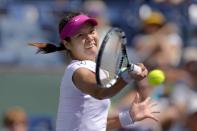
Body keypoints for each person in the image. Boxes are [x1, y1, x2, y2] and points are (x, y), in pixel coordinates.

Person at [30, 11, 159, 131]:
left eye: (91, 31)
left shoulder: (96, 71)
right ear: (67, 44)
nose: (90, 37)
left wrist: (130, 116)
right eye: (81, 35)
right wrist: (127, 76)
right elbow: (100, 91)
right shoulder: (77, 70)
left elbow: (96, 123)